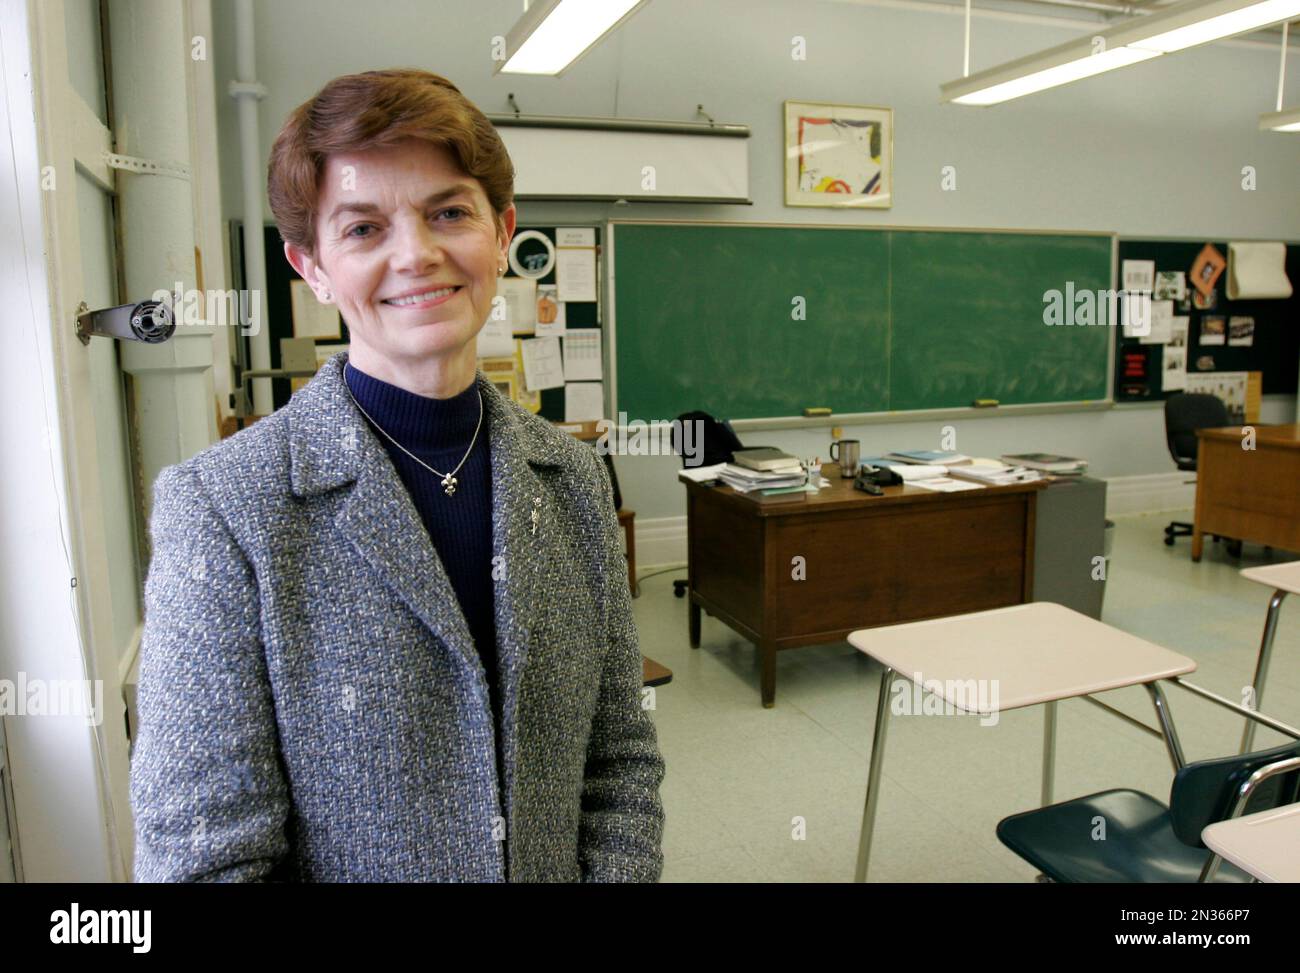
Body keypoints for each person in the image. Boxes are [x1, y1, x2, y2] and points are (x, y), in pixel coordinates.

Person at [129, 68, 665, 882]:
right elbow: (204, 860)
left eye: (449, 212)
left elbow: (619, 759)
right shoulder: (224, 508)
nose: (416, 254)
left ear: (501, 233)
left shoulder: (572, 477)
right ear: (311, 266)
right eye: (363, 228)